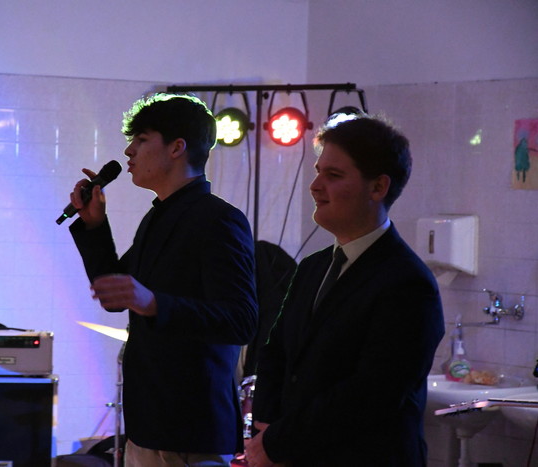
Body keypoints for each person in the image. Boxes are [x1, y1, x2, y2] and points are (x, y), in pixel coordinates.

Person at [68, 93, 258, 466]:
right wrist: (94, 226)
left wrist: (155, 303)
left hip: (190, 432)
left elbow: (241, 320)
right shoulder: (158, 217)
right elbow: (116, 295)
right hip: (148, 427)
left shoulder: (219, 219)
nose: (129, 151)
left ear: (176, 147)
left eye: (141, 140)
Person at [247, 116, 445, 466]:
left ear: (378, 187)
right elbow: (276, 351)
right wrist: (266, 426)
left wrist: (279, 441)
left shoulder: (407, 283)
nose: (315, 186)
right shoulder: (313, 266)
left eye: (333, 175)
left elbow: (370, 395)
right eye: (318, 172)